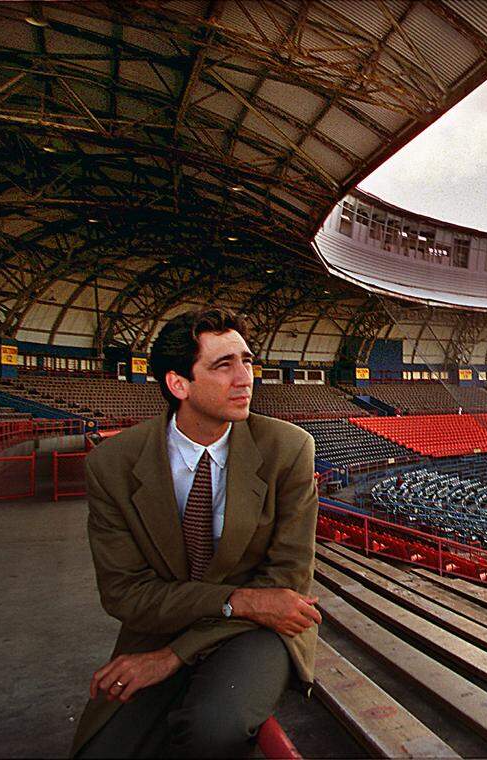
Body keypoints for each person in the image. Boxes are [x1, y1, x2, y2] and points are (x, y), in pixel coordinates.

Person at [72, 309, 321, 758]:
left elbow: (284, 585)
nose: (245, 378)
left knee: (212, 729)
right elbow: (125, 594)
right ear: (178, 384)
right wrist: (235, 599)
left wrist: (174, 656)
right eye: (223, 366)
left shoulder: (288, 449)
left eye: (247, 361)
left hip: (260, 631)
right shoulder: (112, 466)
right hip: (164, 625)